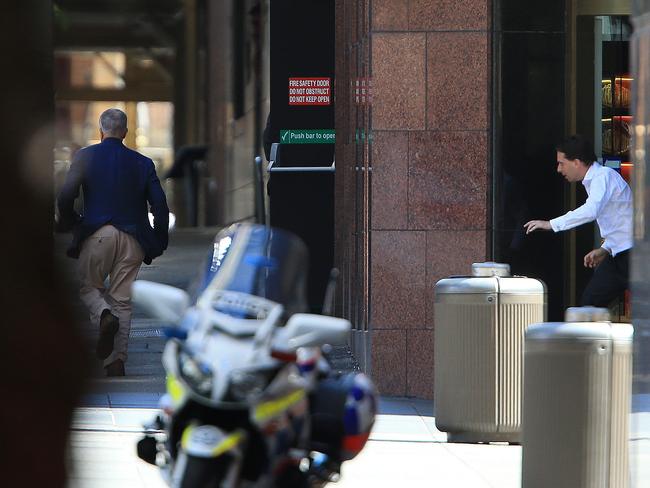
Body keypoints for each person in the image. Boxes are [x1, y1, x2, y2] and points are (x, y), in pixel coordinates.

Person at [57, 108, 169, 376]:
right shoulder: (143, 163)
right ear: (126, 133)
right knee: (122, 299)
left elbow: (65, 197)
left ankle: (103, 314)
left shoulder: (84, 157)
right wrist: (159, 239)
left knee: (89, 288)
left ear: (100, 131)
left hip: (97, 235)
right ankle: (116, 362)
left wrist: (71, 222)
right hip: (133, 239)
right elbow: (160, 206)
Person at [524, 135, 632, 307]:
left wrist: (551, 224)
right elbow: (621, 220)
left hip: (634, 255)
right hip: (619, 256)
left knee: (591, 305)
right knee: (589, 305)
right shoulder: (596, 180)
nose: (559, 169)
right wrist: (605, 249)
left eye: (561, 163)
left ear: (576, 162)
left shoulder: (602, 176)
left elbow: (591, 211)